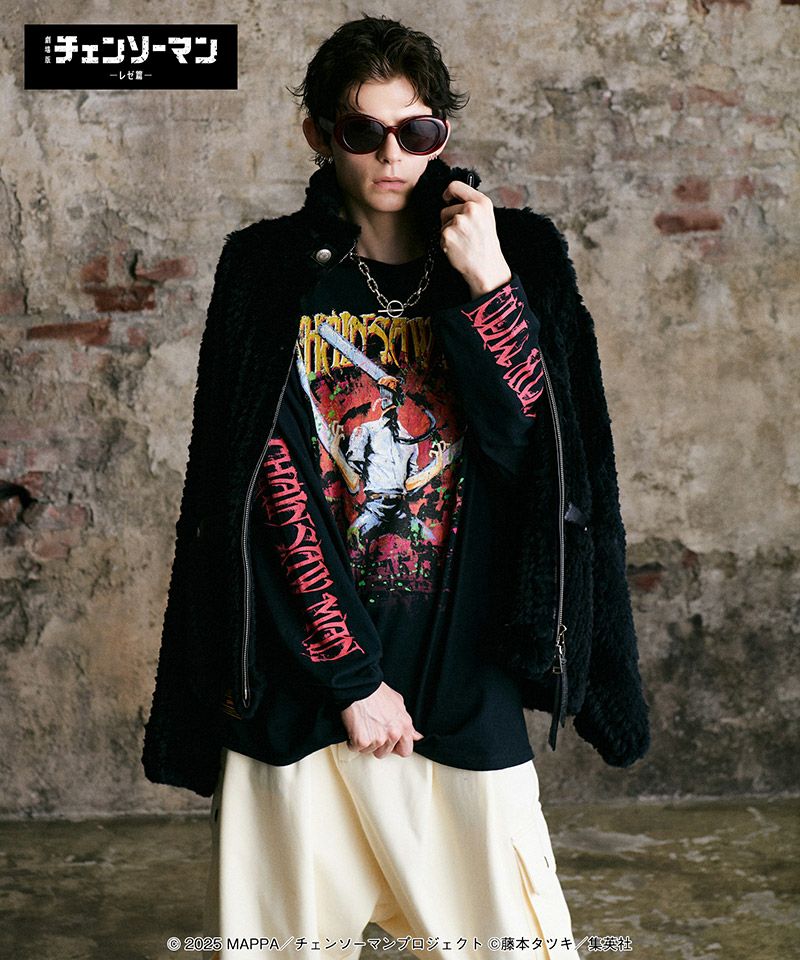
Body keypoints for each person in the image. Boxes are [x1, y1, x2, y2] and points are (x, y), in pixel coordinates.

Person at [141, 14, 651, 960]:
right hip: (301, 684)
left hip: (462, 672)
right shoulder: (265, 271)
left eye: (416, 131)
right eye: (362, 131)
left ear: (442, 131)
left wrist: (491, 287)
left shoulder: (520, 254)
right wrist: (350, 678)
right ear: (317, 134)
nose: (392, 155)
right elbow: (265, 490)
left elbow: (542, 461)